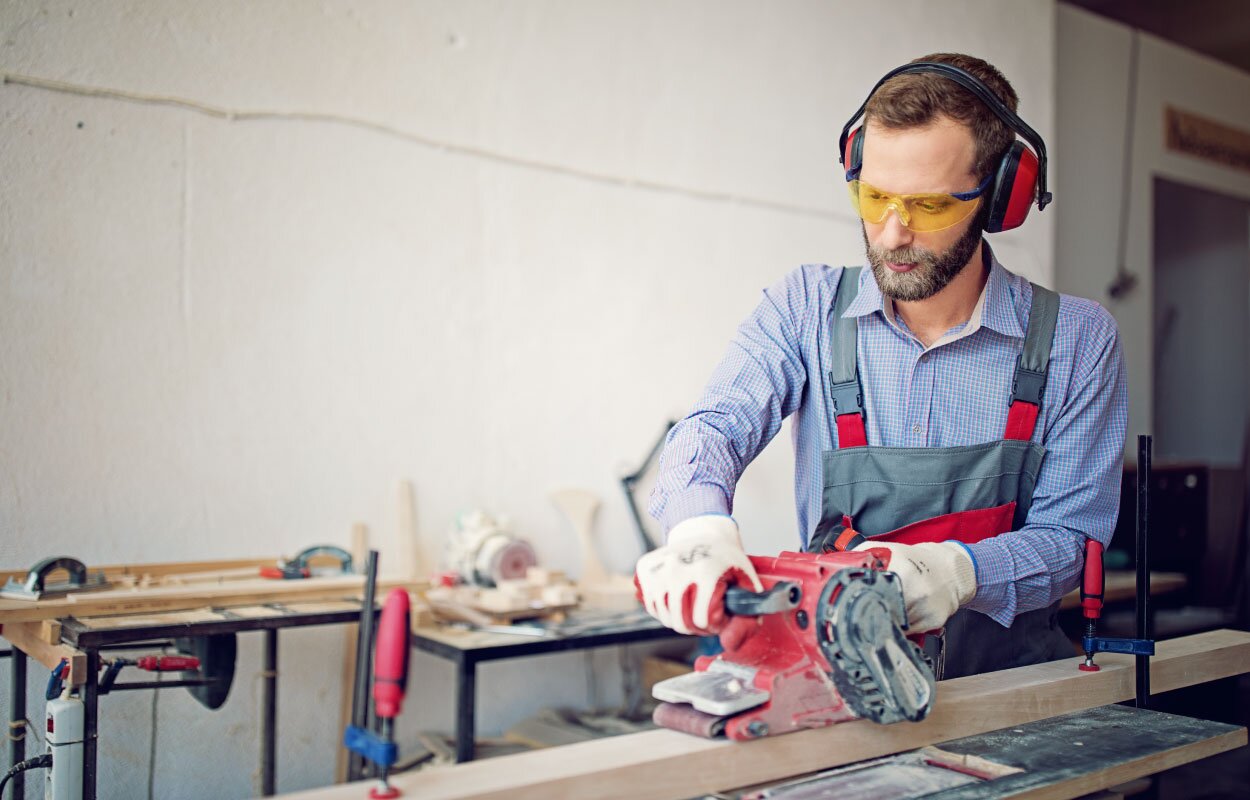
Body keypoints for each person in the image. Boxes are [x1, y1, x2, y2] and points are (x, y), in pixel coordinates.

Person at [634, 53, 1127, 679]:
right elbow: (713, 428)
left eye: (928, 206)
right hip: (839, 686)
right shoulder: (805, 307)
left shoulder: (1078, 341)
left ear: (1001, 197)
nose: (892, 234)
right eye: (873, 197)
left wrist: (959, 573)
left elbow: (1073, 537)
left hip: (1009, 688)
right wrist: (699, 529)